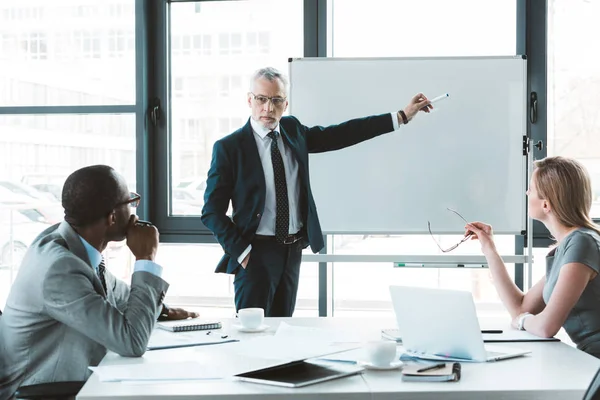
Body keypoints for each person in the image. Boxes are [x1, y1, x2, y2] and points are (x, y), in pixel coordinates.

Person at [201, 66, 432, 317]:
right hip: (255, 254)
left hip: (291, 252)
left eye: (276, 100)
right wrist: (243, 253)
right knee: (252, 337)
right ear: (249, 100)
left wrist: (401, 116)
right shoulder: (229, 147)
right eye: (261, 99)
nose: (268, 108)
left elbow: (343, 133)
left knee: (282, 332)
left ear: (285, 103)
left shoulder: (292, 130)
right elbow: (211, 212)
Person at [0, 165, 198, 399]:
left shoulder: (71, 243)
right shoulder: (59, 269)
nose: (135, 210)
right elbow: (132, 342)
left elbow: (118, 294)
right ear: (112, 217)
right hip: (36, 390)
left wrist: (162, 310)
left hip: (69, 379)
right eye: (131, 202)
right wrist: (146, 259)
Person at [466, 156, 600, 358]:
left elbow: (546, 327)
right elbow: (521, 307)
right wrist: (489, 248)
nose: (527, 192)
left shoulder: (581, 243)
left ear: (546, 204)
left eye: (531, 188)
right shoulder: (569, 247)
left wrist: (522, 321)